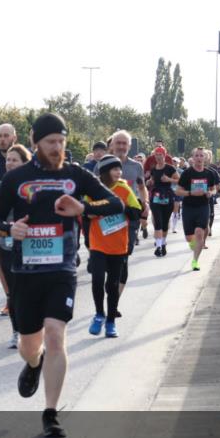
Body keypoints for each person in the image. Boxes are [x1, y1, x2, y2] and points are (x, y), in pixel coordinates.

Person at [0, 113, 122, 438]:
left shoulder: (75, 174)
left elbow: (115, 203)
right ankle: (34, 364)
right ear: (36, 142)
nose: (57, 147)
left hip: (61, 268)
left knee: (55, 334)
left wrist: (84, 209)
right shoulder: (16, 178)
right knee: (30, 344)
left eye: (61, 142)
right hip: (26, 271)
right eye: (51, 142)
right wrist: (10, 228)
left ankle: (51, 412)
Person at [86, 155, 141, 338]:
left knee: (112, 284)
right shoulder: (94, 189)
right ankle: (99, 314)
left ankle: (110, 321)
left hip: (118, 245)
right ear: (104, 172)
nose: (119, 172)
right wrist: (96, 211)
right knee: (97, 279)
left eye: (120, 169)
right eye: (114, 169)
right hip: (98, 243)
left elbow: (136, 212)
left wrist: (121, 207)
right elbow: (86, 210)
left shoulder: (124, 188)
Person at [0, 143, 31, 349]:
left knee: (31, 291)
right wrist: (6, 230)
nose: (10, 163)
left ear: (25, 163)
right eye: (8, 160)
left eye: (15, 160)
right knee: (13, 292)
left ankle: (33, 331)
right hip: (7, 245)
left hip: (33, 245)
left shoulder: (33, 185)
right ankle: (16, 331)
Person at [106, 130, 147, 291]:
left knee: (123, 257)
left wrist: (146, 202)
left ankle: (114, 300)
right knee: (109, 260)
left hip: (130, 218)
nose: (121, 146)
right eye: (118, 143)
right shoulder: (102, 165)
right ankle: (110, 290)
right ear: (112, 145)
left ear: (129, 146)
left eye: (125, 143)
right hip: (107, 219)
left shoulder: (136, 167)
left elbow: (142, 188)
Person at [174, 147, 220, 271]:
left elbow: (214, 188)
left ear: (205, 158)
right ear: (193, 158)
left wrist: (211, 193)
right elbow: (177, 191)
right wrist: (191, 193)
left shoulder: (209, 173)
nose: (199, 158)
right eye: (197, 156)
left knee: (199, 233)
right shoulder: (187, 173)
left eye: (201, 156)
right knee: (189, 238)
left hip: (203, 207)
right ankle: (195, 248)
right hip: (189, 207)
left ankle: (195, 261)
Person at [145, 145, 178, 256]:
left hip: (167, 197)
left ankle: (163, 244)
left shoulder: (170, 168)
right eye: (156, 155)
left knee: (164, 223)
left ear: (164, 156)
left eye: (160, 155)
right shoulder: (154, 169)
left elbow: (179, 180)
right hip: (155, 197)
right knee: (158, 222)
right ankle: (158, 247)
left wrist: (168, 179)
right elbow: (152, 180)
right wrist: (149, 182)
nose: (158, 157)